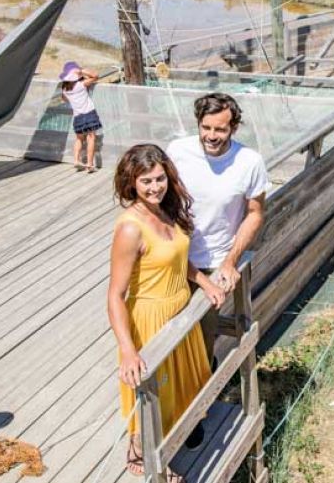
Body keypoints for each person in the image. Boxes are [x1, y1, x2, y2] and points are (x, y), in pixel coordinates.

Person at [108, 144, 225, 479]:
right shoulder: (131, 227)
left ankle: (162, 443)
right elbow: (115, 295)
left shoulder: (164, 210)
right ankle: (144, 455)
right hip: (150, 320)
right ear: (131, 183)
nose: (154, 187)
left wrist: (205, 282)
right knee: (155, 395)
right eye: (146, 181)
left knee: (177, 390)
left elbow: (177, 258)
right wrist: (129, 351)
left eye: (159, 178)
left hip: (180, 315)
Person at [167, 93, 268, 366]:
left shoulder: (249, 161)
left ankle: (201, 398)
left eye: (220, 129)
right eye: (206, 127)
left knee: (200, 340)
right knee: (165, 334)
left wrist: (230, 261)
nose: (211, 135)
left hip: (213, 262)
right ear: (198, 124)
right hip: (173, 259)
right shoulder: (177, 152)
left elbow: (255, 213)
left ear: (233, 128)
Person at [59, 61, 102, 172]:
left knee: (79, 139)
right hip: (89, 114)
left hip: (77, 116)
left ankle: (76, 160)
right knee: (91, 138)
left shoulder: (65, 89)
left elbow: (64, 99)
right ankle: (89, 164)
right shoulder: (80, 85)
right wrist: (81, 70)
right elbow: (96, 76)